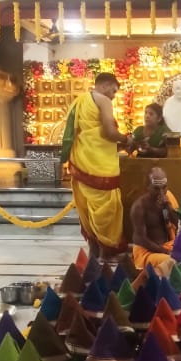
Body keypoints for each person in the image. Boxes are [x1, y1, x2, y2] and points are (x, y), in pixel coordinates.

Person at [66, 72, 129, 261]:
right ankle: (106, 248)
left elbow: (80, 133)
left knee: (87, 204)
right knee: (109, 204)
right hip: (99, 163)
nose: (113, 96)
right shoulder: (103, 100)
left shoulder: (79, 101)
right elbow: (109, 132)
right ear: (105, 84)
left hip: (81, 160)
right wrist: (127, 139)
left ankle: (94, 247)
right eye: (113, 90)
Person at [130, 166, 180, 276]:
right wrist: (164, 251)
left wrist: (168, 207)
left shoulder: (167, 199)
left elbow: (178, 224)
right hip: (147, 253)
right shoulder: (139, 207)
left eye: (164, 187)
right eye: (156, 188)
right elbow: (139, 238)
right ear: (147, 187)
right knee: (172, 262)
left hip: (167, 246)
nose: (161, 192)